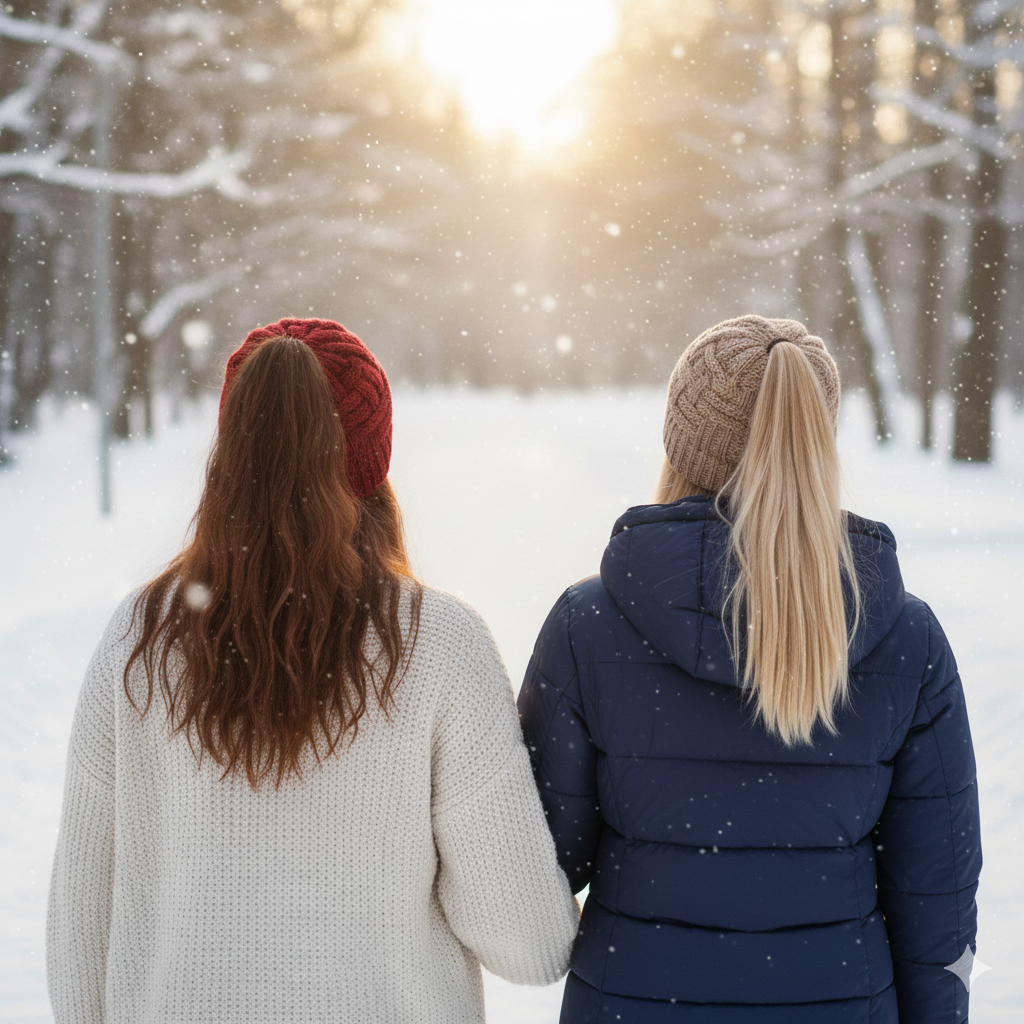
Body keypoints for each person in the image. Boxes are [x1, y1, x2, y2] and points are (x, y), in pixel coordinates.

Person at [47, 317, 578, 1024]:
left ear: (232, 446)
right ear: (371, 460)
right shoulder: (440, 646)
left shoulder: (139, 640)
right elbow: (530, 945)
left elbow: (78, 945)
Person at [518, 315, 981, 1023]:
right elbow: (936, 901)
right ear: (814, 441)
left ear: (682, 440)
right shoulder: (905, 637)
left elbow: (545, 865)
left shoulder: (591, 624)